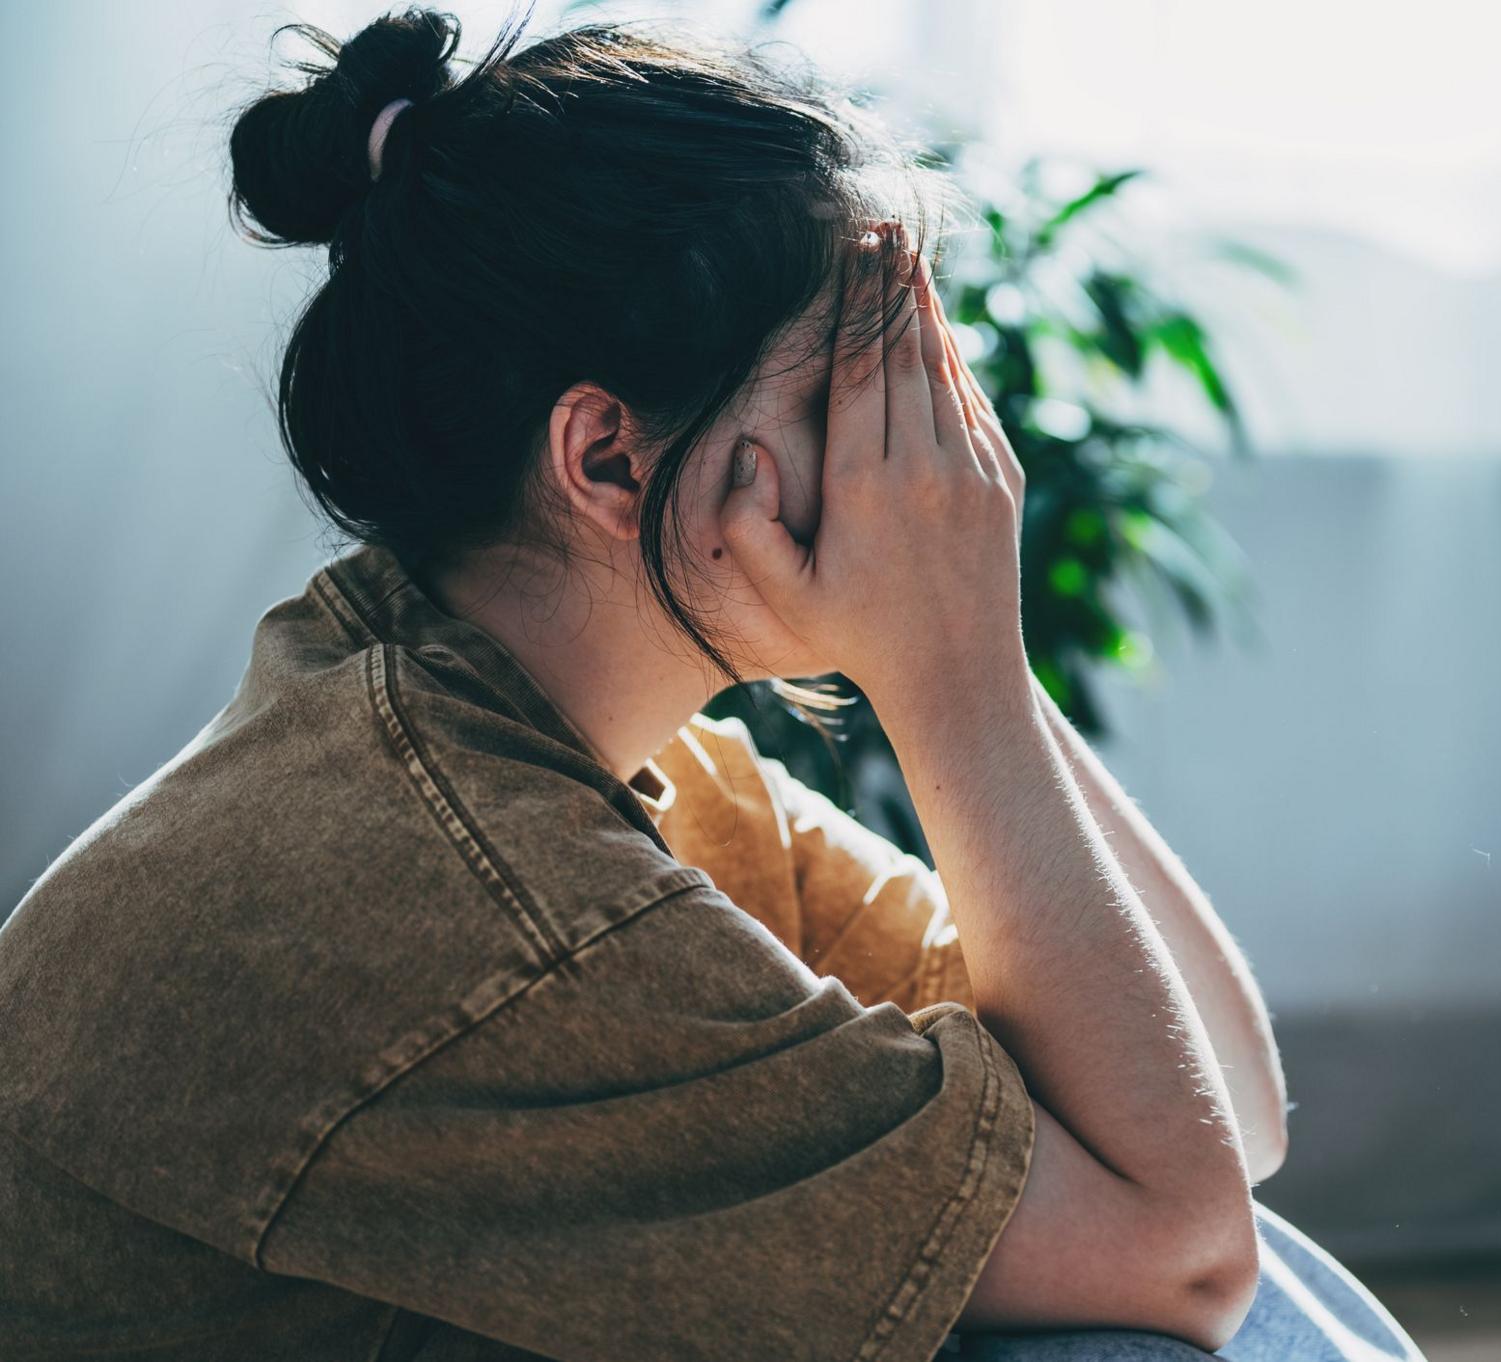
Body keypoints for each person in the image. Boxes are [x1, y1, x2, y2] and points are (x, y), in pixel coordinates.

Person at [0, 8, 1422, 1360]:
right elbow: (1182, 1251)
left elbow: (1224, 1128)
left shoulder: (603, 765)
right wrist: (959, 669)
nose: (921, 472)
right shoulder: (476, 896)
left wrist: (980, 655)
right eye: (863, 389)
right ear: (610, 459)